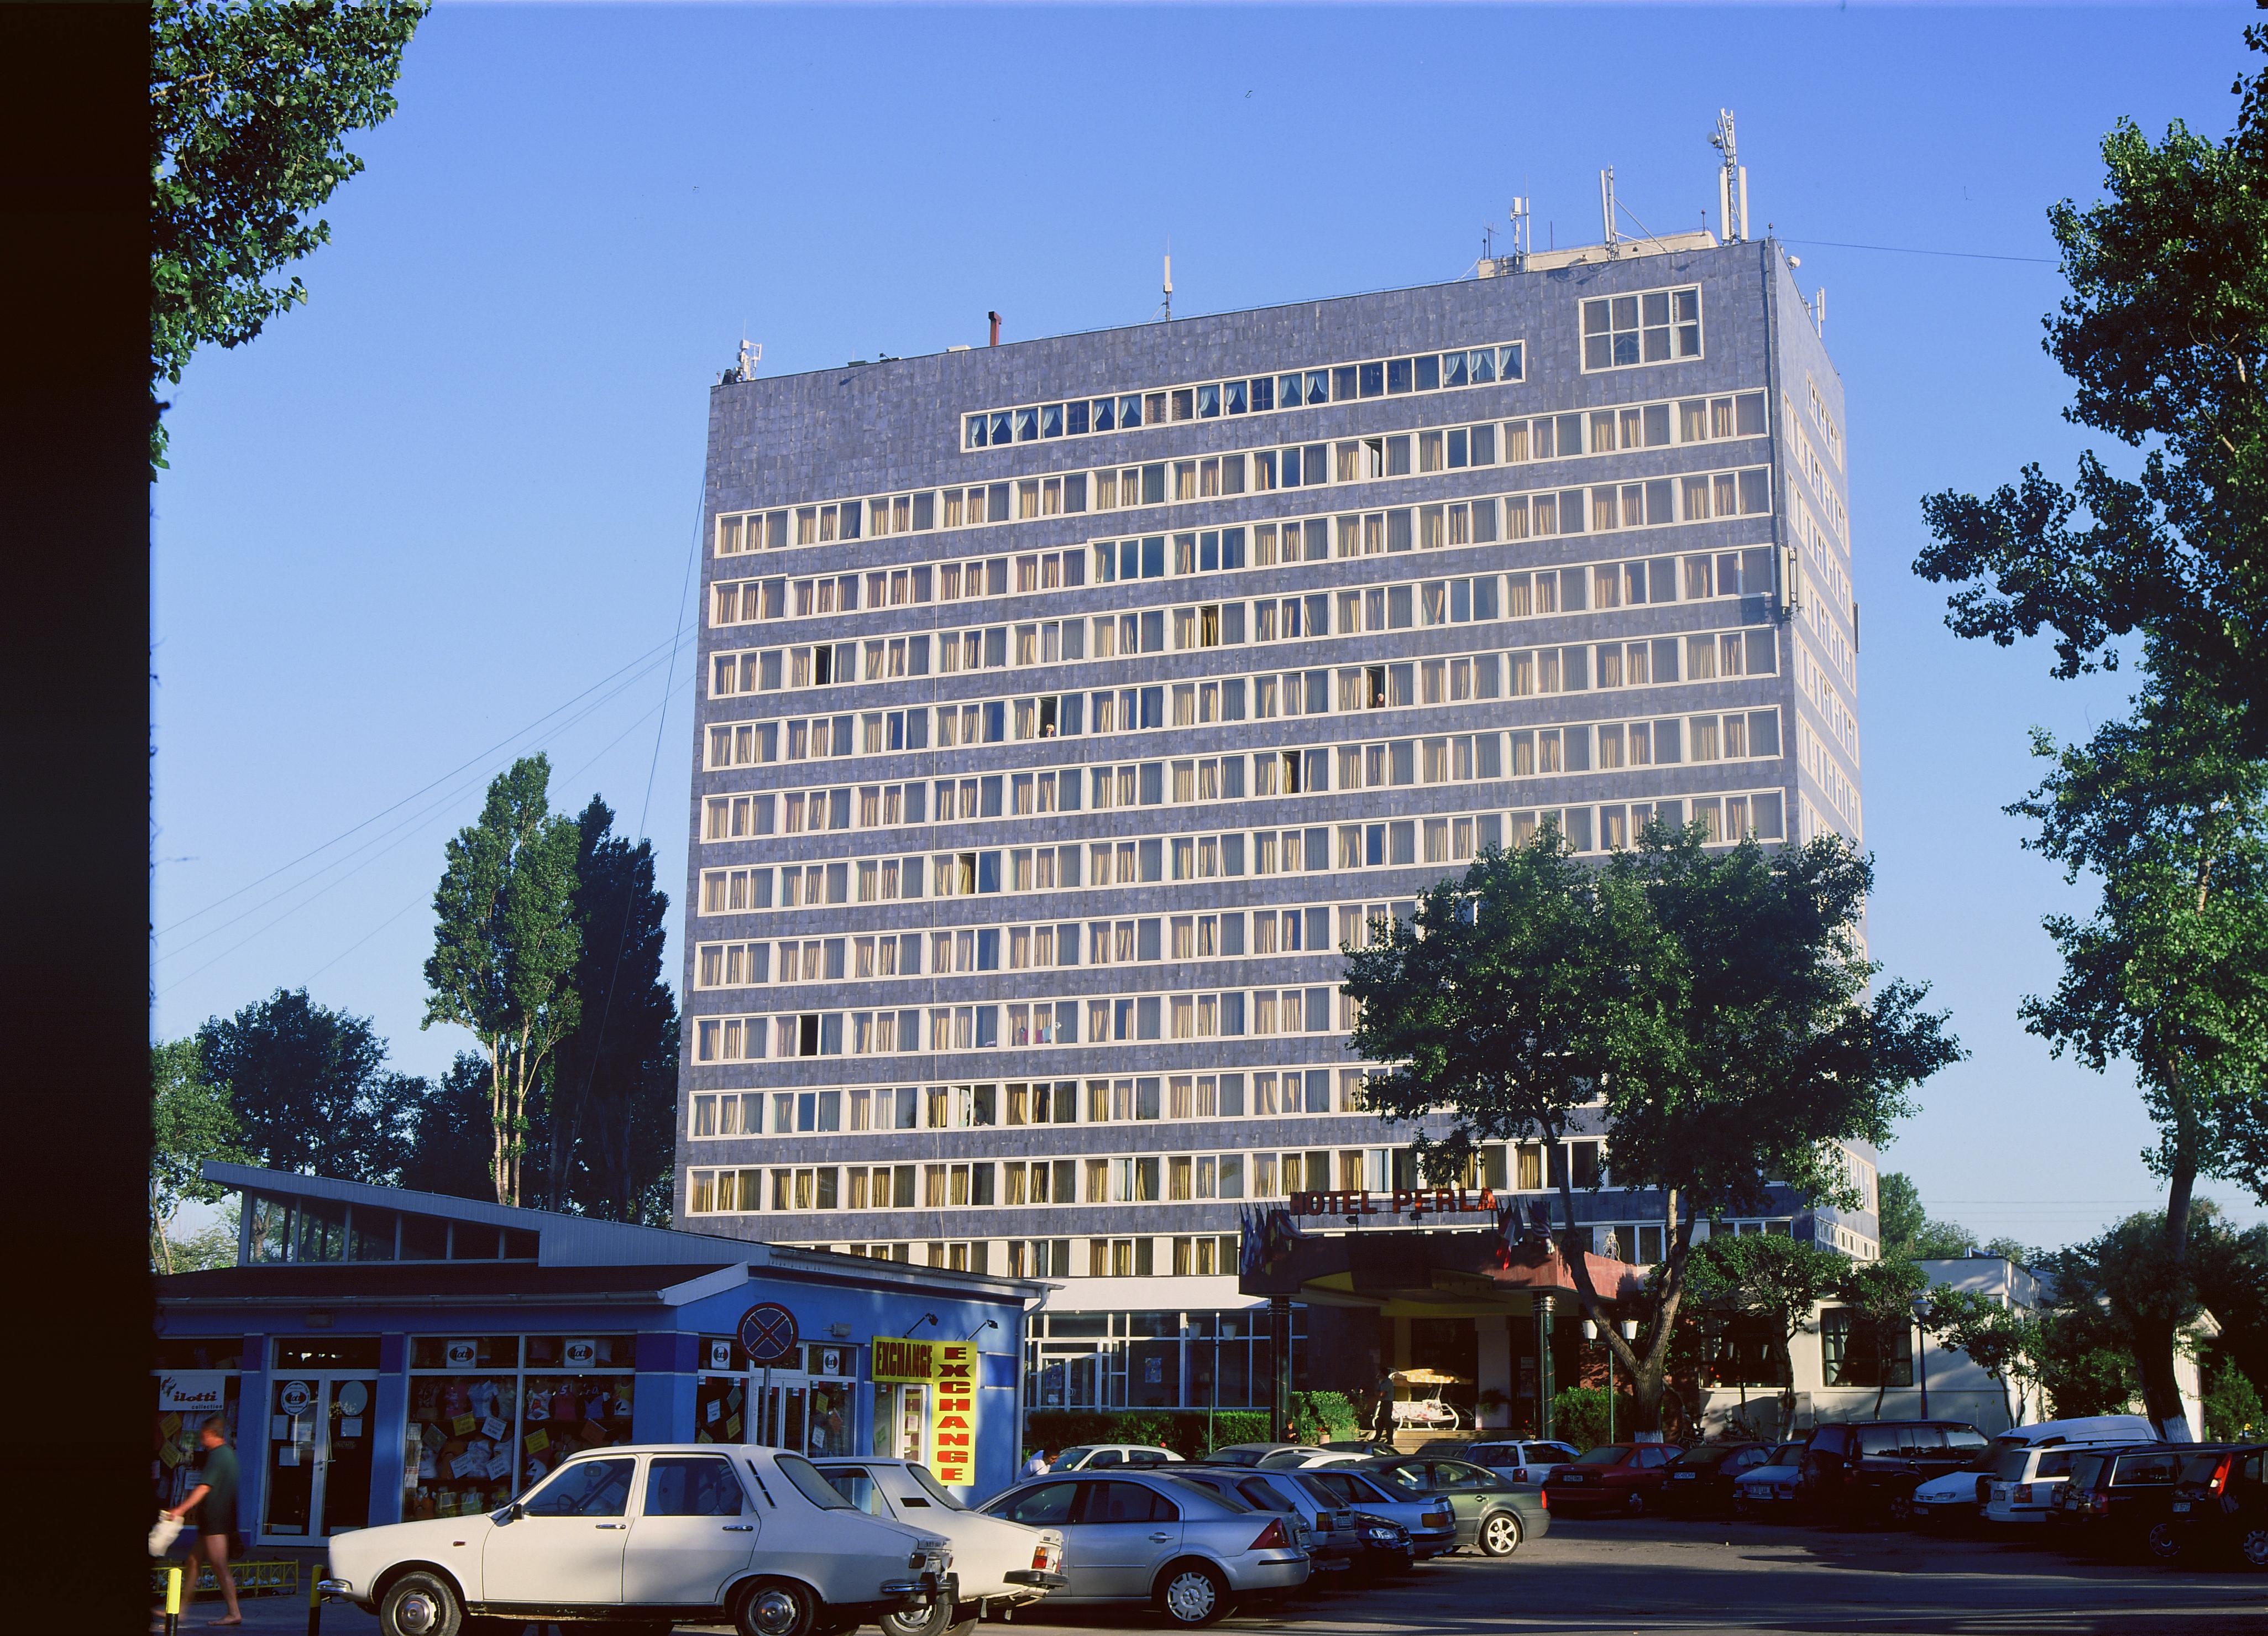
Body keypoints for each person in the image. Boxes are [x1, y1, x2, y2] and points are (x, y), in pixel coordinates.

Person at [164, 1415, 240, 1627]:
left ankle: (234, 1612)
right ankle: (179, 1608)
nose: (201, 1441)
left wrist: (180, 1509)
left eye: (202, 1437)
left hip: (215, 1521)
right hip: (213, 1520)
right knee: (193, 1562)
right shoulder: (228, 1455)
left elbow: (204, 1487)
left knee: (219, 1566)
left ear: (210, 1434)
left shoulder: (218, 1456)